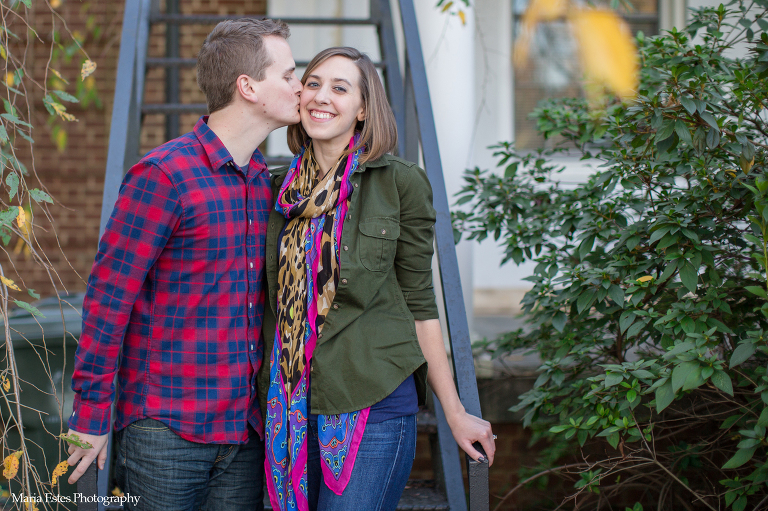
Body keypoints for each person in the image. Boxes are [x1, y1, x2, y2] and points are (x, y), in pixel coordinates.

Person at [65, 19, 302, 511]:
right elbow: (109, 299)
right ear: (249, 87)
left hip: (244, 434)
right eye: (291, 74)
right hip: (166, 432)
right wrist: (90, 415)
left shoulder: (265, 184)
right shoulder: (164, 175)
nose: (301, 87)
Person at [259, 46, 495, 511]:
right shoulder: (275, 189)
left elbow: (420, 303)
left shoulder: (399, 182)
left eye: (340, 88)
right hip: (288, 404)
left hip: (371, 399)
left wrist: (454, 411)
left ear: (364, 109)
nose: (321, 97)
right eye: (313, 83)